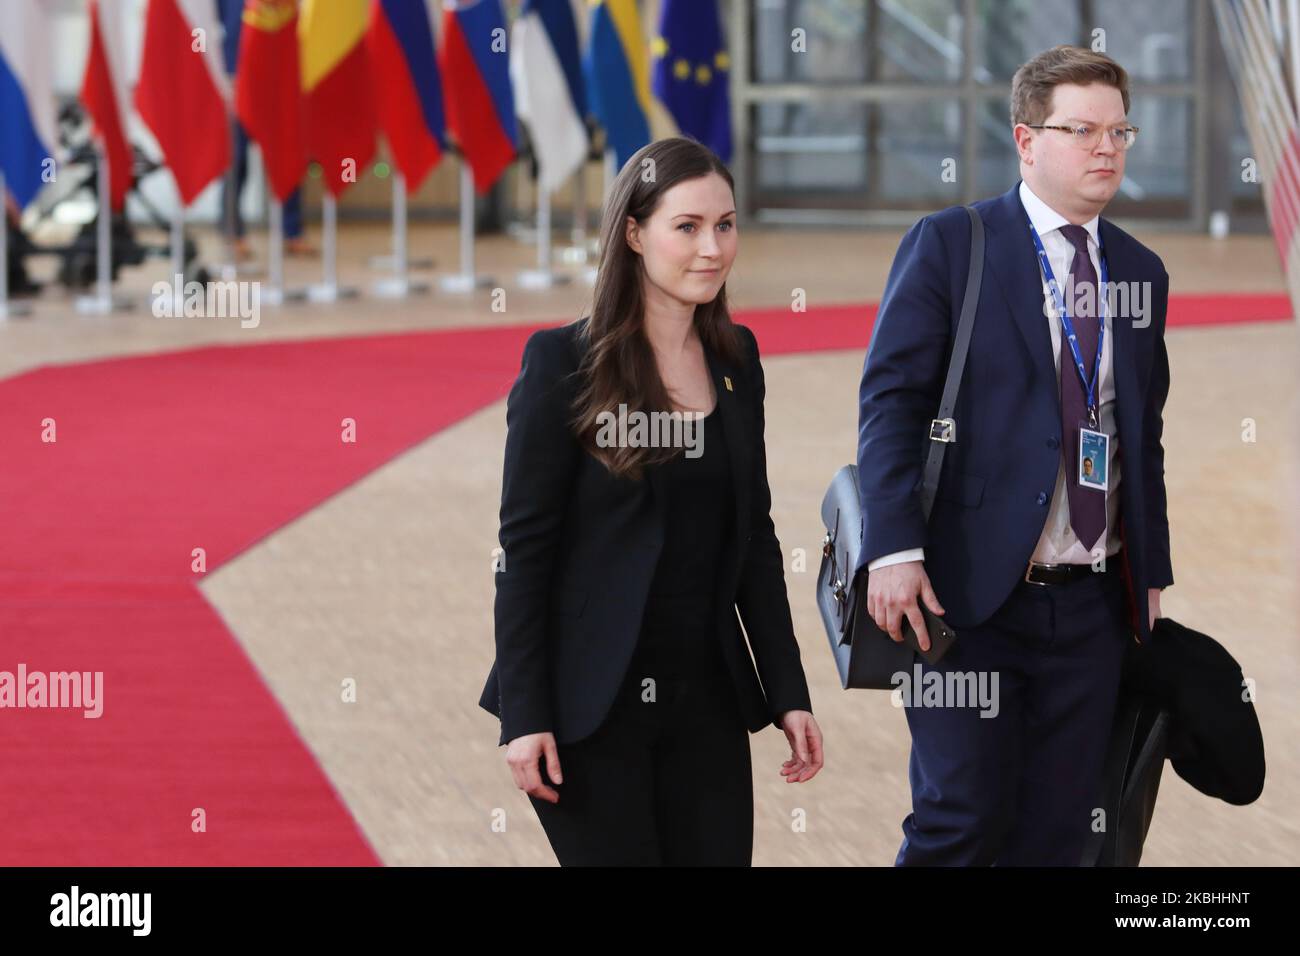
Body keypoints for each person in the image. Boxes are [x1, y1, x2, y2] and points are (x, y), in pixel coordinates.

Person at [856, 45, 1173, 866]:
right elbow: (892, 405)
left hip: (1094, 608)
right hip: (967, 601)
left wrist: (1152, 579)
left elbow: (1143, 433)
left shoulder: (1139, 271)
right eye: (1082, 130)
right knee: (958, 821)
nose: (1107, 148)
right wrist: (894, 546)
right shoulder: (952, 245)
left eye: (1120, 131)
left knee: (1062, 837)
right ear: (1027, 141)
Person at [478, 137, 823, 866]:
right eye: (688, 227)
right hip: (588, 707)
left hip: (707, 702)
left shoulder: (738, 360)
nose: (712, 248)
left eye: (725, 225)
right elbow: (524, 555)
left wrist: (787, 689)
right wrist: (526, 715)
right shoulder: (562, 364)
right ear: (634, 234)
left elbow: (754, 536)